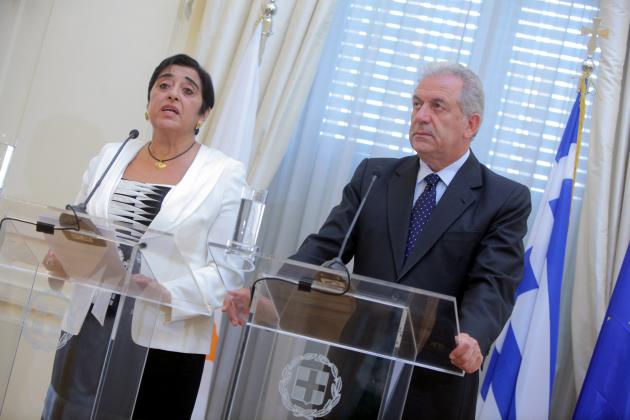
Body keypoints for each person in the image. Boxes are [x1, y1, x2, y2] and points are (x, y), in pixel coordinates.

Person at [290, 62, 532, 419]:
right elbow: (326, 245)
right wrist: (275, 285)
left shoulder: (503, 199)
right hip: (354, 366)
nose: (420, 116)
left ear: (471, 124)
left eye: (437, 106)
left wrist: (472, 335)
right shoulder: (374, 175)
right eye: (416, 104)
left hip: (435, 374)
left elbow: (493, 283)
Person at [42, 54, 247, 419]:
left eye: (188, 90)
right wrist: (63, 258)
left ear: (203, 114)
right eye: (163, 85)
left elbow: (228, 269)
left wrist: (167, 293)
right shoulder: (111, 155)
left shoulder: (224, 173)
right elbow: (76, 226)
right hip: (88, 328)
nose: (173, 94)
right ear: (149, 101)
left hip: (164, 341)